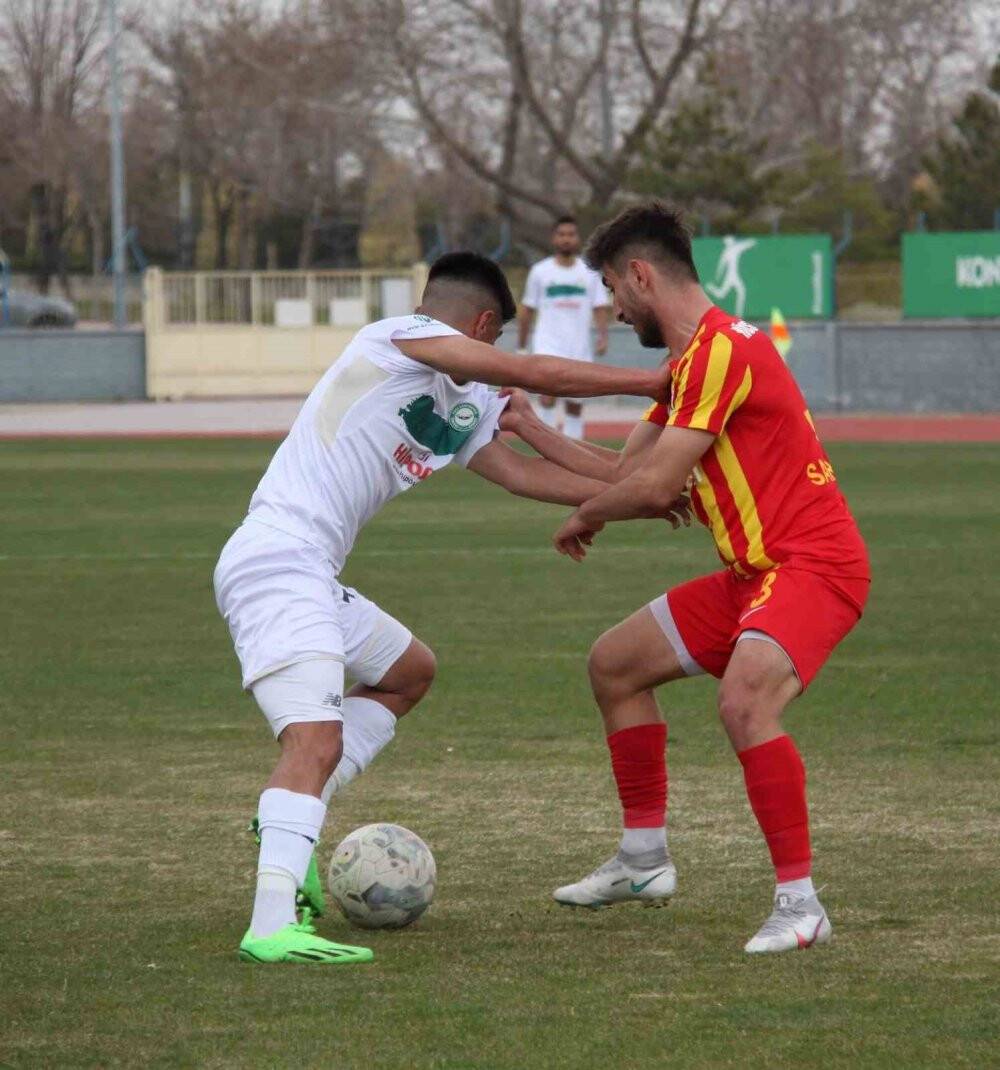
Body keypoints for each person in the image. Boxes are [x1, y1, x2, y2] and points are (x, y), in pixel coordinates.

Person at [214, 251, 678, 965]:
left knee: (408, 672)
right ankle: (272, 923)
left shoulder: (465, 400)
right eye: (491, 346)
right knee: (314, 741)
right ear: (483, 325)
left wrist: (646, 496)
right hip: (277, 560)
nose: (491, 360)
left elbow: (526, 474)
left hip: (309, 571)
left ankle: (285, 818)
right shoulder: (396, 335)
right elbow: (538, 373)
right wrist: (653, 380)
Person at [501, 202, 870, 954]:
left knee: (744, 703)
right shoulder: (687, 366)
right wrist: (532, 428)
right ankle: (643, 860)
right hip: (752, 576)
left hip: (813, 565)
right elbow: (631, 473)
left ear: (640, 276)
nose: (613, 305)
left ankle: (802, 906)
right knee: (615, 665)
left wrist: (588, 517)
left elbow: (645, 490)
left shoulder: (725, 350)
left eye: (613, 288)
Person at [517, 215, 610, 440]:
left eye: (571, 234)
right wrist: (521, 346)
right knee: (547, 396)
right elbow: (528, 309)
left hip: (578, 347)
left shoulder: (590, 272)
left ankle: (573, 449)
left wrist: (603, 336)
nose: (566, 239)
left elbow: (600, 307)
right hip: (547, 344)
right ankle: (547, 446)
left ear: (577, 239)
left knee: (575, 403)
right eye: (562, 234)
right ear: (554, 238)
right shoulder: (540, 271)